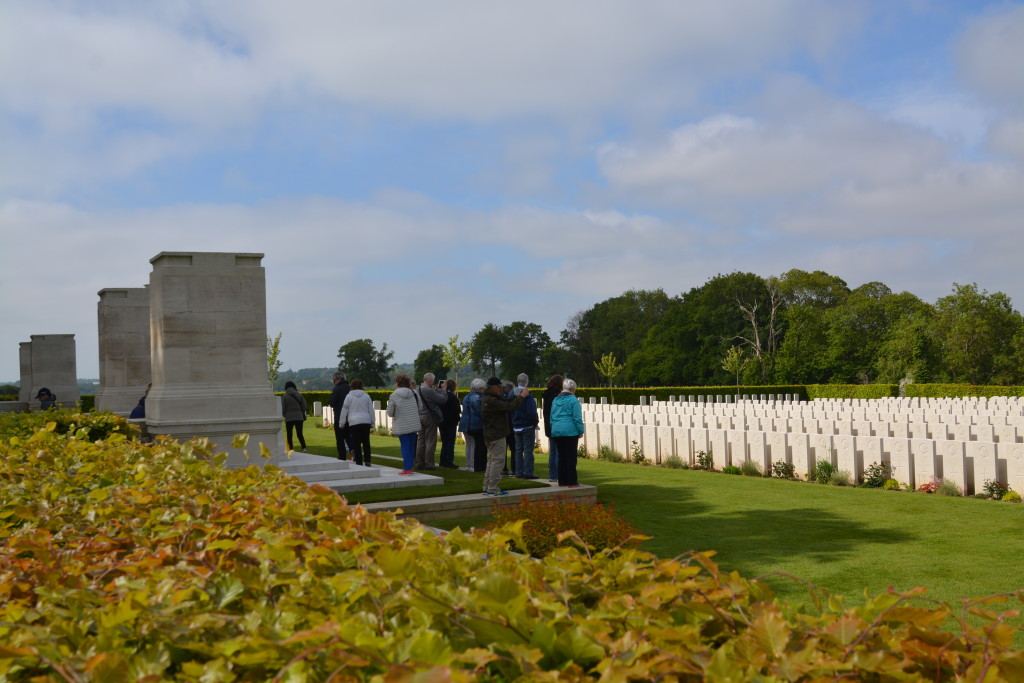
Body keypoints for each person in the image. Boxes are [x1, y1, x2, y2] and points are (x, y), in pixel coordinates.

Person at [481, 377, 529, 496]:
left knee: (491, 461)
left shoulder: (489, 398)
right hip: (497, 434)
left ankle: (487, 487)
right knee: (498, 462)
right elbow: (509, 407)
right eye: (499, 387)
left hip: (491, 433)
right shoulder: (492, 400)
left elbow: (505, 402)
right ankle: (493, 488)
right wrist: (521, 397)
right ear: (494, 387)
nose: (501, 389)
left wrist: (515, 395)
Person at [550, 378, 584, 487]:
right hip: (570, 431)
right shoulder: (573, 400)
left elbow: (551, 417)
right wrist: (580, 431)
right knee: (571, 456)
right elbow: (577, 418)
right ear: (572, 388)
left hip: (557, 430)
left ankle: (562, 481)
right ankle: (572, 481)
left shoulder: (555, 400)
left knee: (561, 456)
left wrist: (553, 428)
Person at [386, 373, 420, 475]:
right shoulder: (414, 393)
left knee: (405, 446)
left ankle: (407, 468)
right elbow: (420, 407)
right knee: (411, 446)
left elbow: (390, 412)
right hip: (413, 423)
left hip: (402, 424)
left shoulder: (394, 395)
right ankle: (410, 467)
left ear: (397, 383)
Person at [414, 373, 448, 470]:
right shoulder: (428, 390)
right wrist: (444, 390)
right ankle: (429, 464)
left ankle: (419, 463)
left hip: (419, 415)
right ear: (429, 381)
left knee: (421, 440)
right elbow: (442, 400)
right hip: (429, 416)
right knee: (430, 441)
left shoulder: (417, 389)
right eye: (432, 380)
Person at [338, 378, 374, 466]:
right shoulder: (366, 396)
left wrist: (341, 423)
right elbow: (371, 410)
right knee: (366, 442)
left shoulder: (349, 396)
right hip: (366, 421)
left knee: (356, 442)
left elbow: (344, 411)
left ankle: (359, 461)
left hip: (354, 422)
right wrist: (372, 422)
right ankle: (368, 460)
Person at [510, 373, 539, 478]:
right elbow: (531, 411)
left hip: (516, 425)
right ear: (527, 382)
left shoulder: (511, 394)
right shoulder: (527, 395)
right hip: (527, 425)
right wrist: (535, 423)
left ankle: (518, 472)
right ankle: (528, 472)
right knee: (527, 450)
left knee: (518, 450)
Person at [458, 378, 487, 472]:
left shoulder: (467, 396)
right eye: (482, 388)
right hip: (474, 424)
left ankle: (469, 464)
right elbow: (479, 411)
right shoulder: (477, 397)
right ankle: (473, 464)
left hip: (465, 423)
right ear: (479, 389)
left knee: (469, 444)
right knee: (475, 444)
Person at [542, 375, 564, 482]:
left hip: (549, 425)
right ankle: (559, 475)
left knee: (553, 451)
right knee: (558, 451)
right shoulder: (557, 396)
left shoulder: (546, 394)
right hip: (556, 425)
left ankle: (552, 475)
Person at [438, 379, 462, 469]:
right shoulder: (452, 397)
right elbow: (456, 410)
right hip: (451, 421)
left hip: (442, 421)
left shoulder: (441, 396)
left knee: (444, 442)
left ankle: (442, 460)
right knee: (450, 442)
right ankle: (449, 461)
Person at [328, 372, 351, 460]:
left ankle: (342, 456)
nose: (333, 382)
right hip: (350, 416)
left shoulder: (337, 389)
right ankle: (354, 452)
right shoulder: (349, 388)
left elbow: (332, 403)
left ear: (338, 379)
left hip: (339, 415)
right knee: (349, 437)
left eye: (334, 380)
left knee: (340, 438)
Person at [282, 381, 308, 451]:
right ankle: (304, 447)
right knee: (299, 434)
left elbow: (283, 408)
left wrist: (284, 415)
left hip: (289, 418)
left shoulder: (285, 396)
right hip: (299, 417)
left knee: (289, 435)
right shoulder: (299, 395)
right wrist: (301, 412)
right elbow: (304, 406)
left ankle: (290, 449)